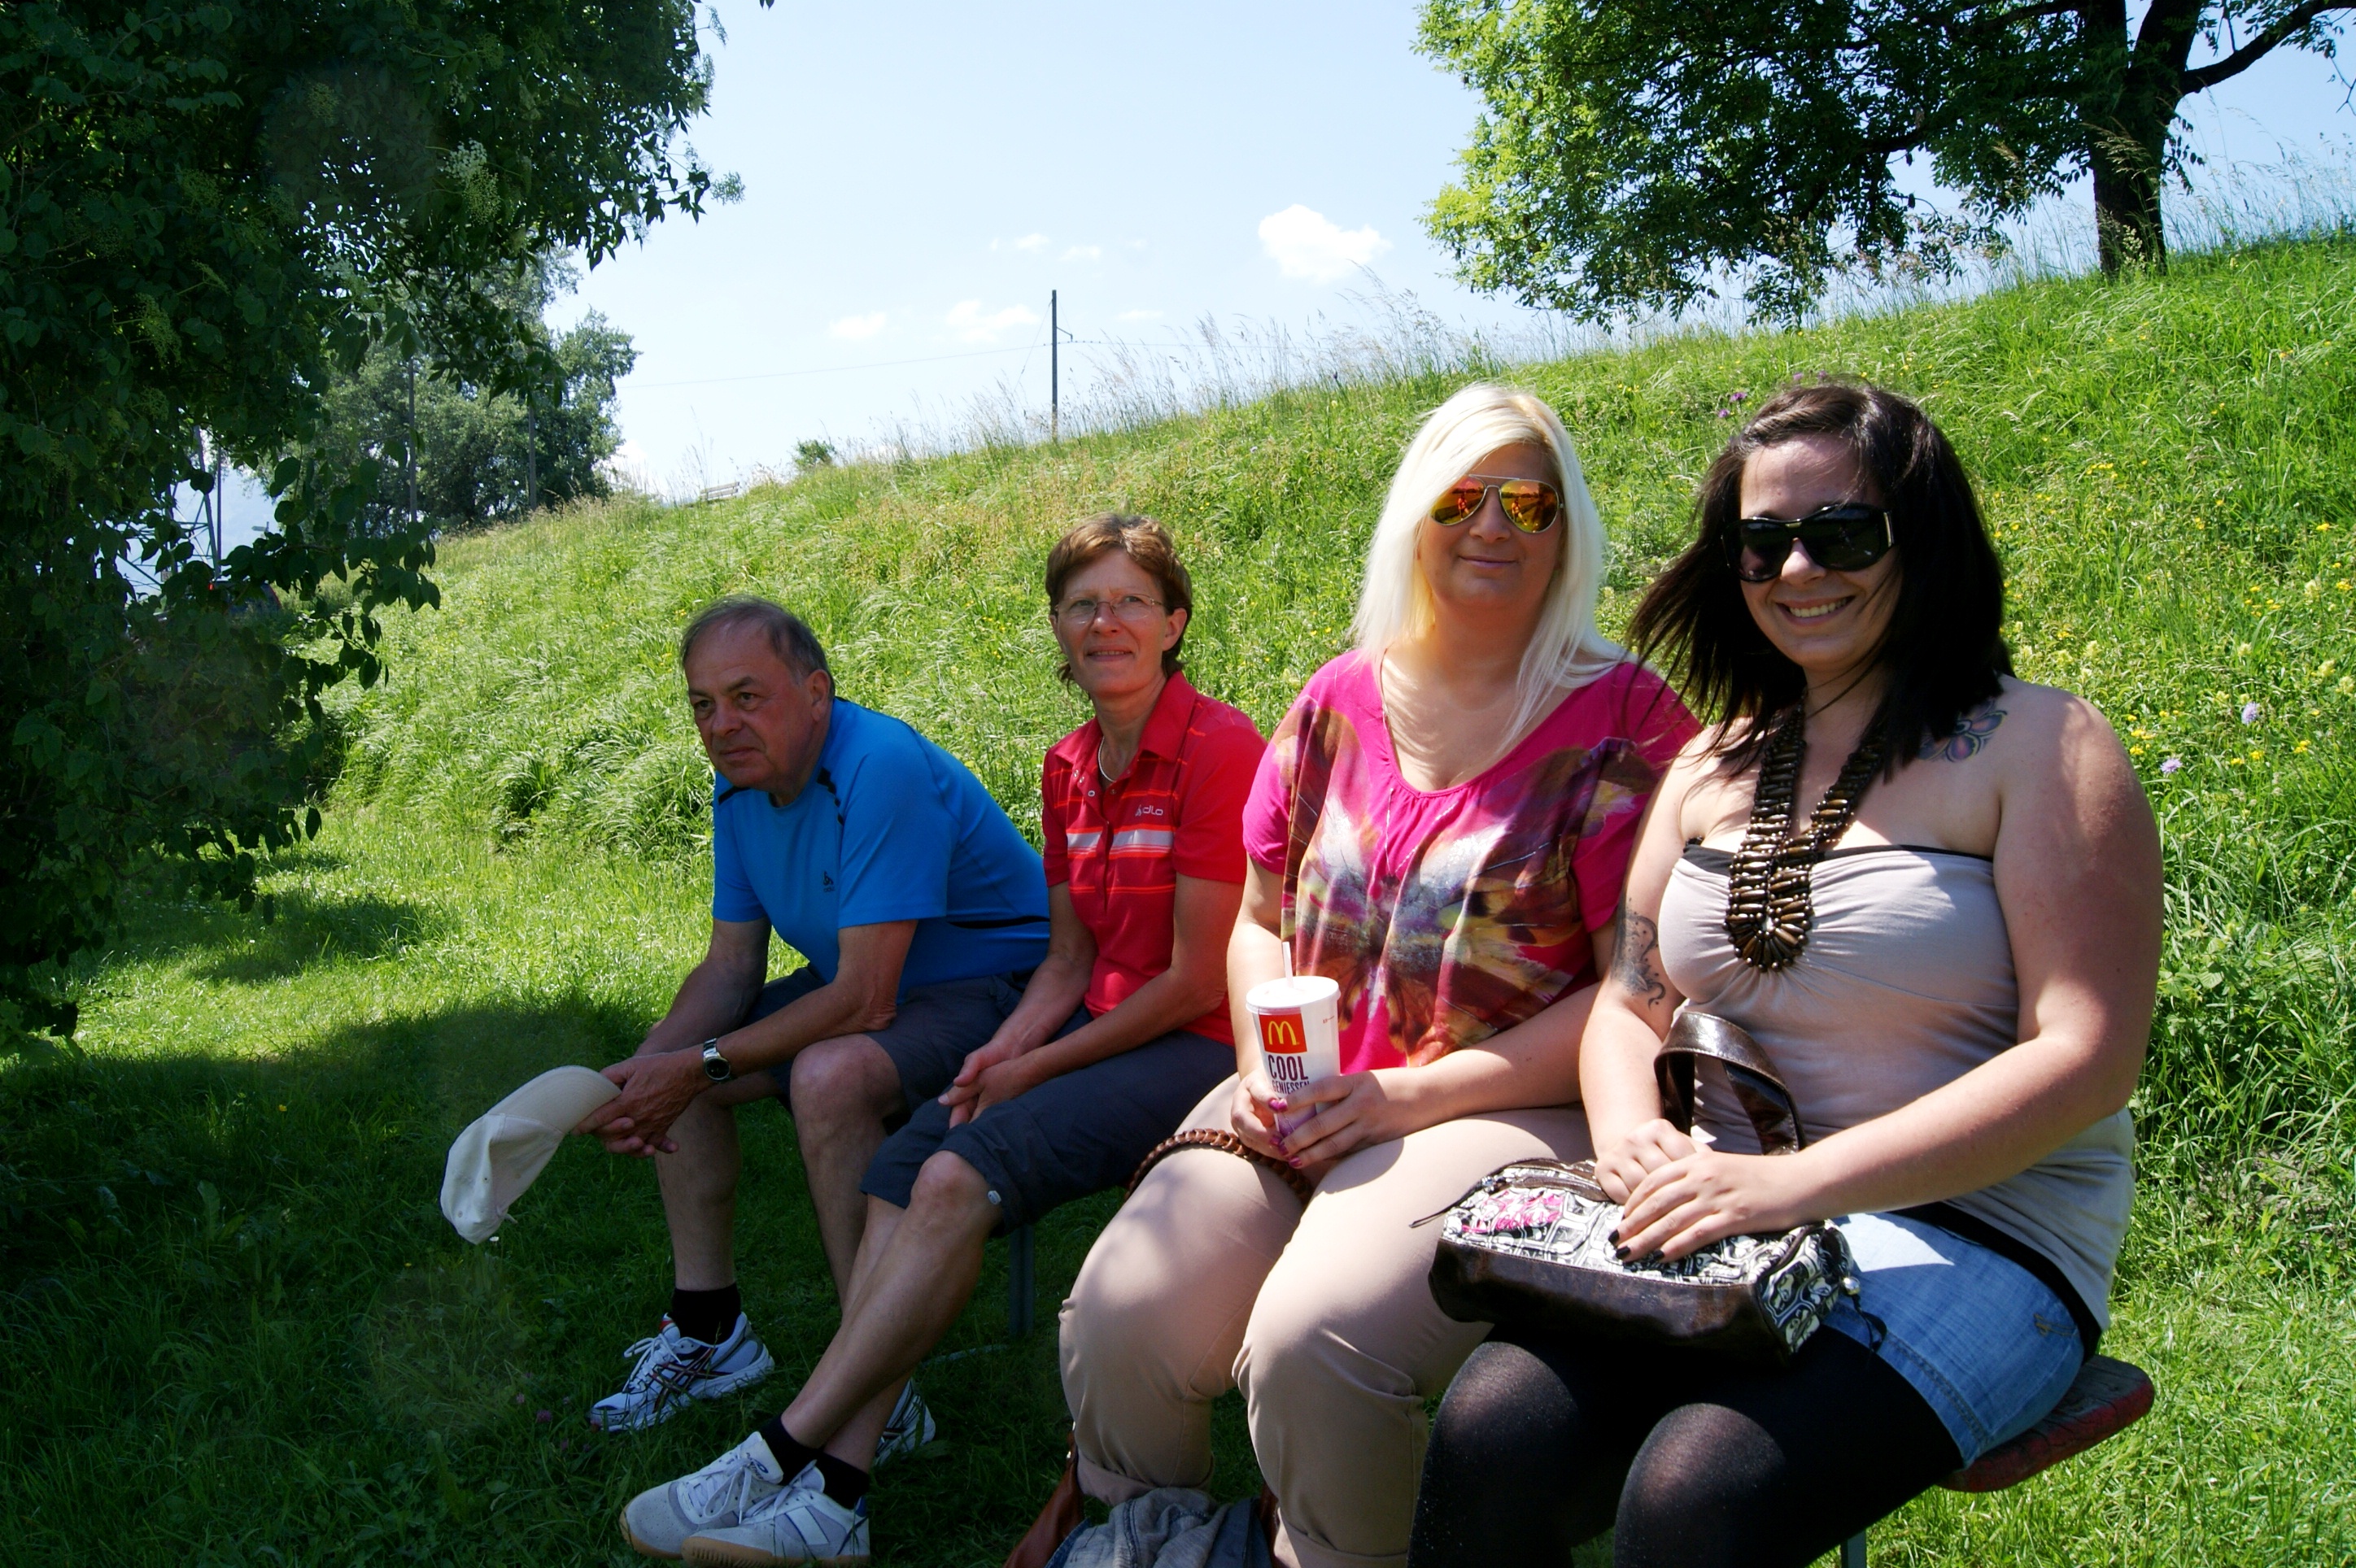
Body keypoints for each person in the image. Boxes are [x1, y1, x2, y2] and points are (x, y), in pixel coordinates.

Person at [1407, 382, 2162, 1568]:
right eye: (1762, 543)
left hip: (1976, 1232)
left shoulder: (2042, 747)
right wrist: (1632, 1139)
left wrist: (1790, 1186)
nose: (1797, 568)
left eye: (1842, 533)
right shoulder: (1712, 763)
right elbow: (1631, 1000)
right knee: (1493, 1433)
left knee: (1699, 1493)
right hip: (1723, 1217)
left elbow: (2086, 1057)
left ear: (1924, 541)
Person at [1056, 384, 1697, 1568]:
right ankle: (1162, 1542)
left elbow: (1641, 992)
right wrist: (1263, 1063)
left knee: (1315, 1344)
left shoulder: (1629, 722)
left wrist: (1409, 1096)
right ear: (1415, 515)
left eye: (1528, 502)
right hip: (1309, 1090)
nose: (1492, 525)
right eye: (1461, 497)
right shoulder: (1337, 700)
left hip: (1508, 1103)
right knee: (1119, 1318)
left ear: (1567, 528)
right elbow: (1259, 919)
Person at [622, 516, 1266, 1566]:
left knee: (959, 1175)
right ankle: (839, 1499)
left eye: (1130, 602)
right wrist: (1001, 1052)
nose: (1104, 623)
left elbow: (1197, 978)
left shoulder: (1219, 747)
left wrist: (1036, 1061)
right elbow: (1066, 961)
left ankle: (793, 1454)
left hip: (1198, 1044)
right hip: (1092, 1025)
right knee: (903, 1167)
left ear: (1174, 622)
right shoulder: (1069, 765)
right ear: (1057, 629)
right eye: (1081, 604)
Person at [578, 599, 1053, 1438]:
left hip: (999, 988)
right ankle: (710, 1331)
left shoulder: (878, 766)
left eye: (746, 697)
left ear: (816, 693)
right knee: (678, 1064)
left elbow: (868, 998)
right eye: (702, 704)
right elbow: (731, 967)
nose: (721, 725)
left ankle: (877, 1390)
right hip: (871, 979)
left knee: (827, 1076)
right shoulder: (742, 782)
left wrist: (696, 1063)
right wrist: (639, 1073)